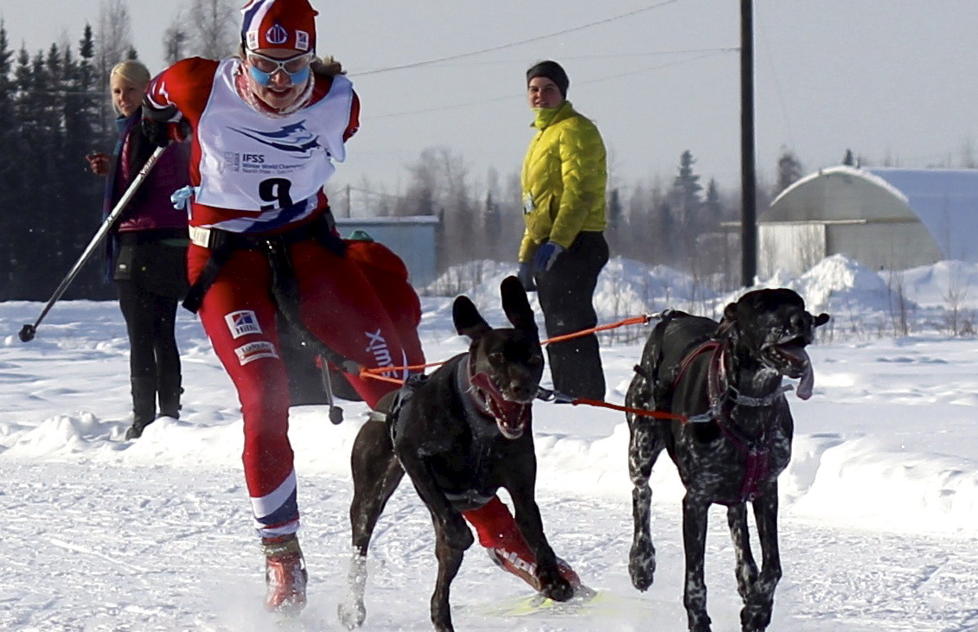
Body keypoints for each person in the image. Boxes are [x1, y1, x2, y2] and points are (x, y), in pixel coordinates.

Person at [141, 0, 576, 613]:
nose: (280, 83)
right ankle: (283, 558)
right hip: (225, 257)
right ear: (242, 56)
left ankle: (507, 539)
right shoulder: (196, 82)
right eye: (265, 66)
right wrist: (153, 123)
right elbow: (151, 101)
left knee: (401, 396)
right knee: (264, 392)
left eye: (294, 66)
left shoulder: (340, 101)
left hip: (307, 246)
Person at [86, 60, 190, 441]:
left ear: (147, 89)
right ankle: (168, 413)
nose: (122, 99)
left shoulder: (146, 127)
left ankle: (144, 417)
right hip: (169, 238)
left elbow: (142, 188)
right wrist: (112, 169)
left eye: (130, 90)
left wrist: (117, 175)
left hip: (143, 242)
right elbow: (141, 177)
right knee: (162, 332)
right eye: (116, 92)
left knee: (143, 334)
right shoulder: (153, 130)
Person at [517, 60, 609, 401]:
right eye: (534, 89)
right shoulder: (543, 135)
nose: (540, 95)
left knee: (570, 323)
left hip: (577, 242)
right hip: (551, 243)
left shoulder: (574, 130)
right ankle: (567, 391)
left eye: (548, 89)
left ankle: (583, 398)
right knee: (557, 323)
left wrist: (559, 240)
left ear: (563, 92)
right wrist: (528, 252)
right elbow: (536, 204)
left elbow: (580, 191)